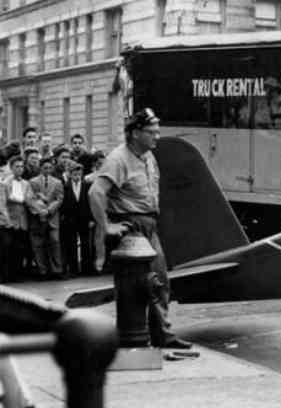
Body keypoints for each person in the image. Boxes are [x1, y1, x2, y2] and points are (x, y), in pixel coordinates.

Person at [88, 108, 192, 350]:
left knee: (160, 282)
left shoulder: (147, 156)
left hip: (148, 225)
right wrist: (107, 227)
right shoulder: (119, 159)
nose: (157, 137)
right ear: (135, 133)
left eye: (158, 132)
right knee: (140, 286)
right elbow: (96, 192)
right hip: (130, 227)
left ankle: (161, 335)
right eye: (152, 132)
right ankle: (135, 341)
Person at [28, 156, 64, 279]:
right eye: (45, 168)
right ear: (40, 168)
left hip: (52, 217)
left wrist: (48, 210)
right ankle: (42, 270)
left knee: (55, 242)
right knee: (38, 244)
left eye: (49, 167)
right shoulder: (33, 182)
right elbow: (31, 199)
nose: (47, 170)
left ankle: (57, 270)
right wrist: (40, 211)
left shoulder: (57, 182)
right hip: (38, 218)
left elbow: (59, 199)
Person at [61, 160, 93, 276]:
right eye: (74, 174)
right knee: (72, 244)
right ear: (70, 174)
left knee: (85, 244)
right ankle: (73, 269)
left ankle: (86, 268)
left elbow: (90, 203)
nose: (77, 177)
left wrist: (91, 219)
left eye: (79, 174)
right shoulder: (65, 186)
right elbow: (63, 203)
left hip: (84, 218)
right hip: (71, 219)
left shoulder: (87, 186)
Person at [3, 156, 34, 281]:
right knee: (8, 248)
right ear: (11, 168)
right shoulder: (5, 183)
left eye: (22, 166)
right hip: (9, 221)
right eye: (17, 166)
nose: (20, 169)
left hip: (23, 221)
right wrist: (6, 221)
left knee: (20, 248)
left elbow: (30, 200)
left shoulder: (26, 183)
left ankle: (18, 274)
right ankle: (7, 275)